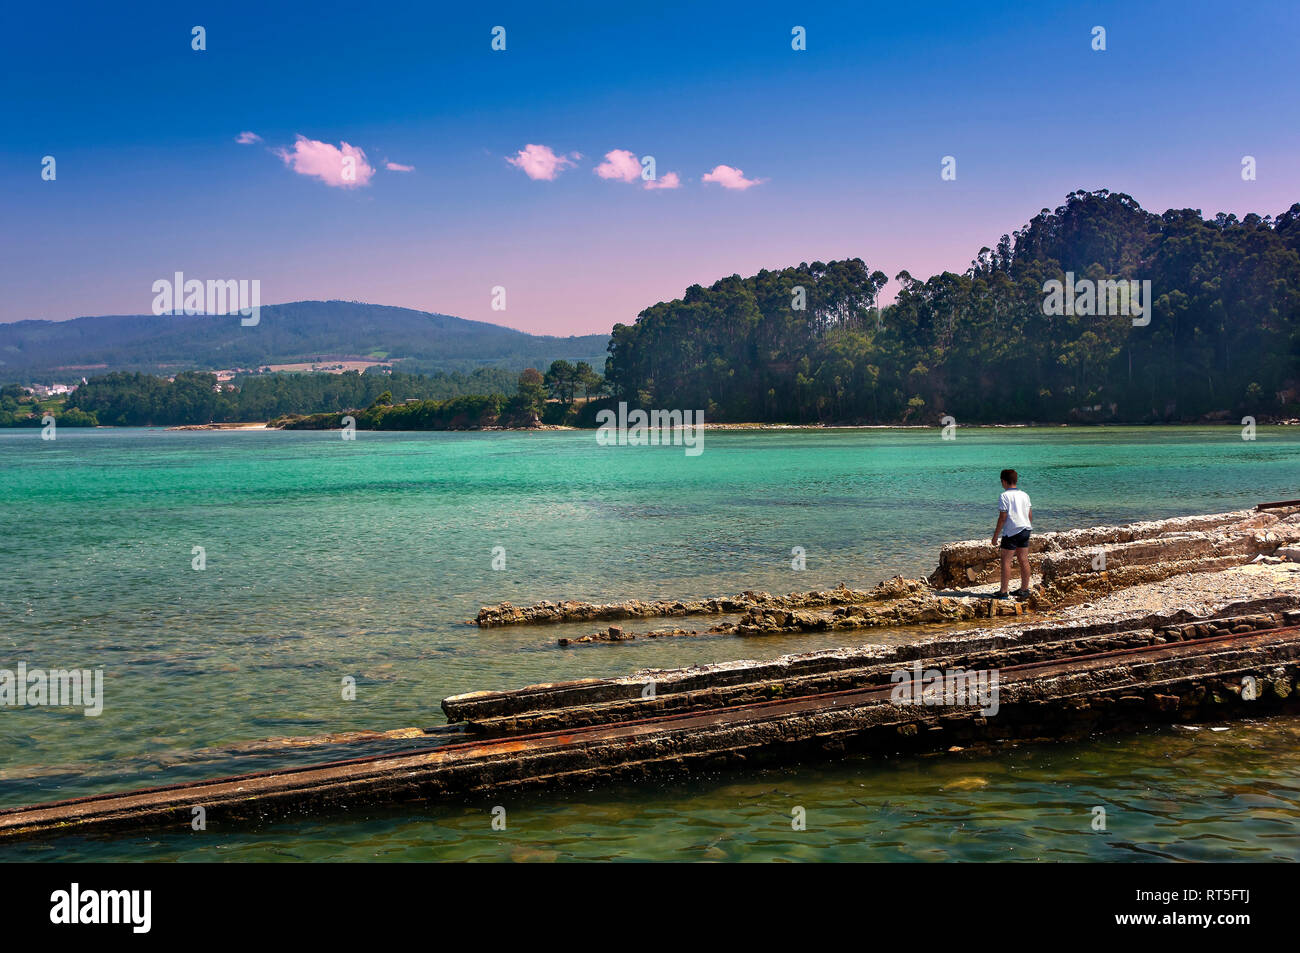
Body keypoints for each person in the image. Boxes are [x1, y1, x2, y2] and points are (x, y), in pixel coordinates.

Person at [991, 469, 1033, 598]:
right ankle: (1024, 589)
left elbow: (1003, 517)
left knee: (1006, 561)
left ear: (1003, 481)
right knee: (1024, 560)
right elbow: (1029, 514)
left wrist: (995, 535)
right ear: (1016, 480)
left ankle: (1003, 591)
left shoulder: (1004, 496)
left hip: (1011, 532)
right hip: (1025, 528)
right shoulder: (1024, 495)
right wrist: (1027, 526)